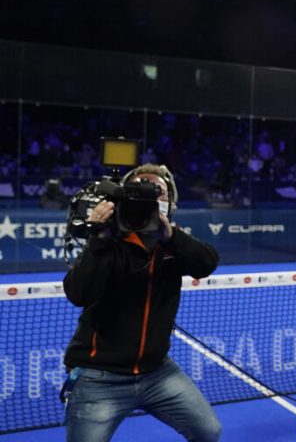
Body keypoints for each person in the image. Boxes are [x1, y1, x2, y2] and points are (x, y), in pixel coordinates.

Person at [62, 164, 221, 442]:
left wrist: (170, 236)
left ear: (169, 201)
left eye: (156, 190)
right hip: (99, 377)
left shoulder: (172, 244)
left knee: (209, 431)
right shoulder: (109, 242)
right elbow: (79, 294)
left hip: (157, 372)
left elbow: (206, 263)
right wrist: (98, 238)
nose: (149, 195)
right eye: (139, 188)